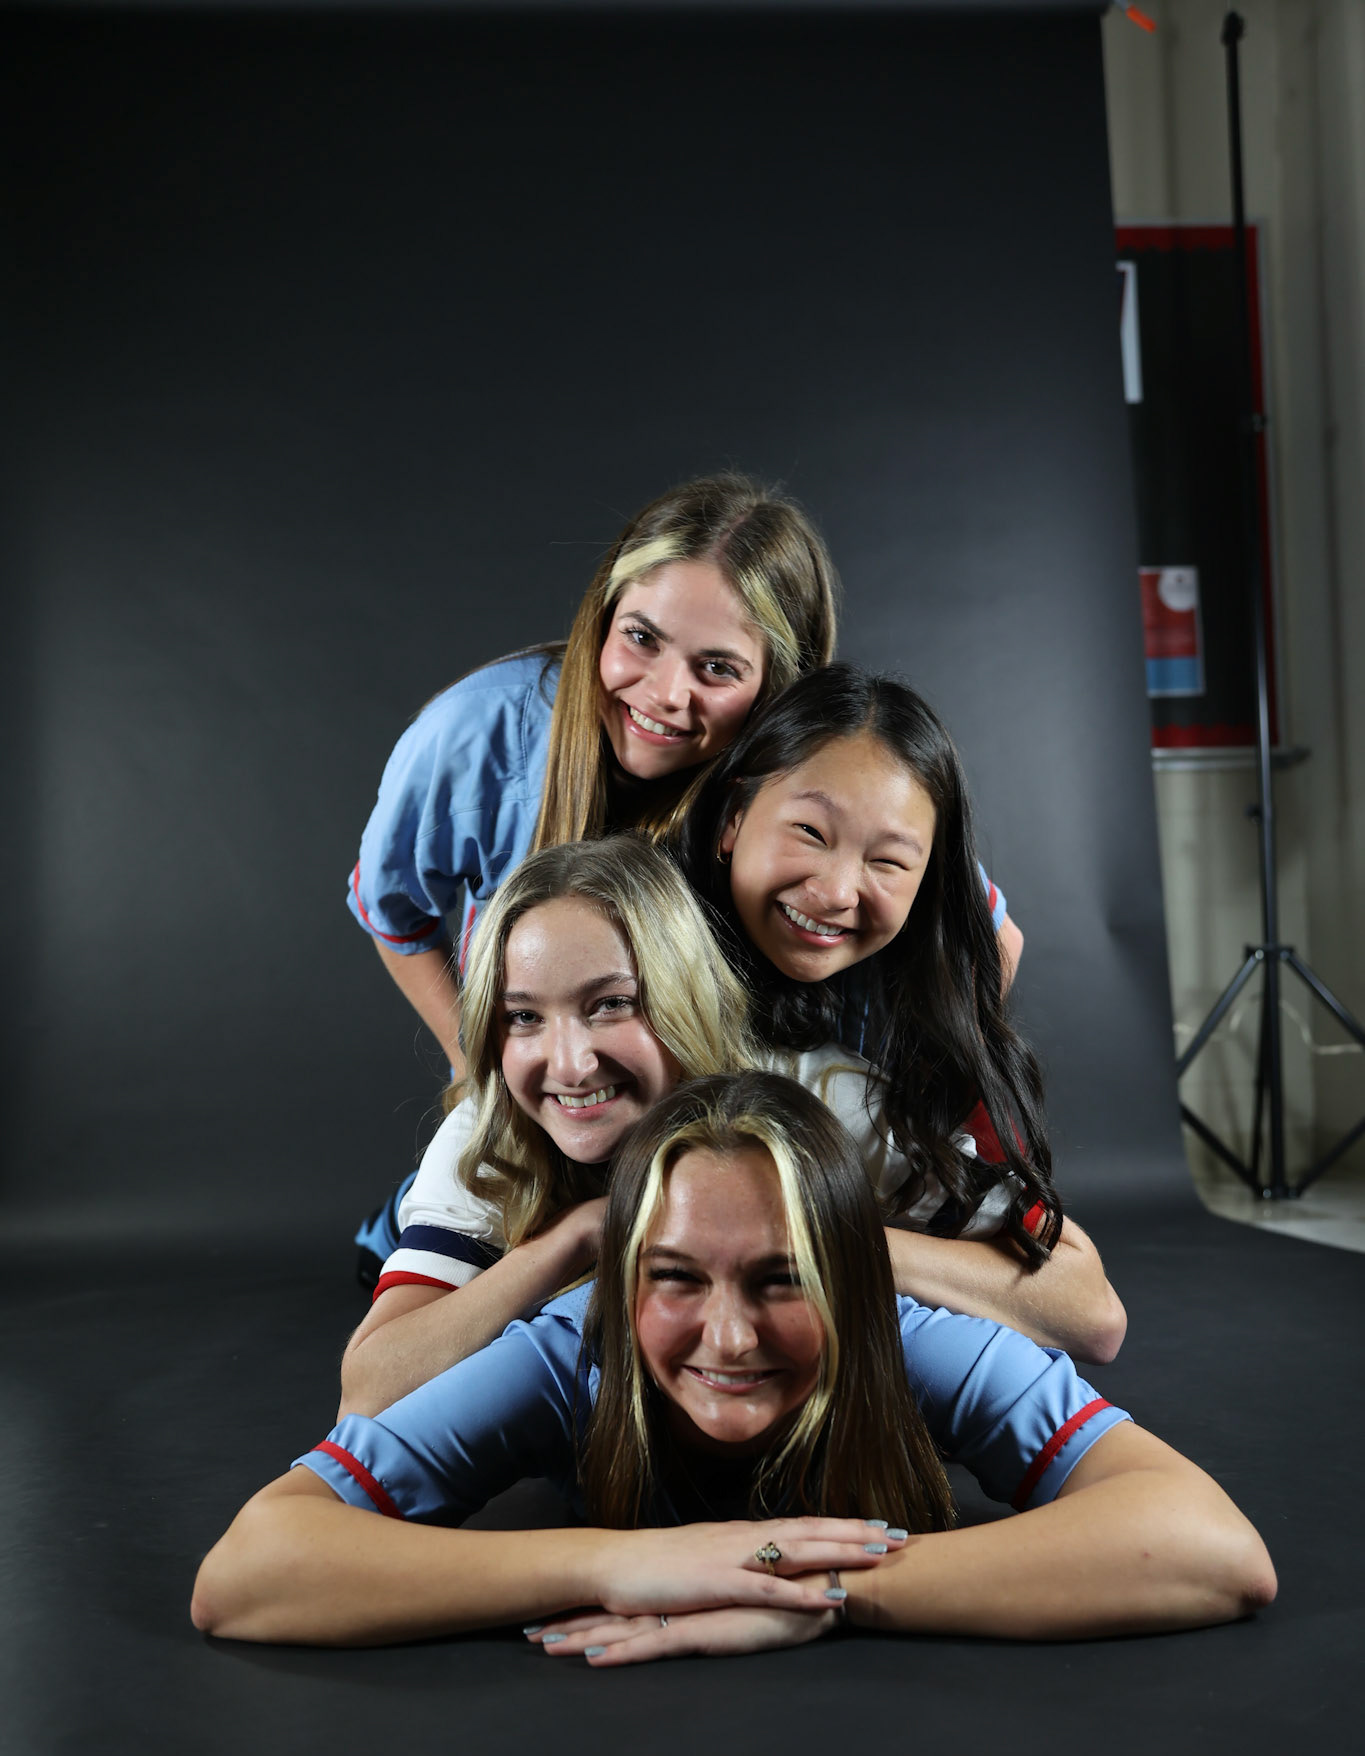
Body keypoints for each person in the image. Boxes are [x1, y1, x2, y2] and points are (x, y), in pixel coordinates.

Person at [191, 1074, 1274, 1655]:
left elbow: (1212, 1547)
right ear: (622, 1286)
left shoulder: (902, 1333)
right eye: (675, 1277)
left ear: (846, 1281)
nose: (729, 1337)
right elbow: (250, 1571)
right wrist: (619, 1565)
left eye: (778, 1277)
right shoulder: (571, 1348)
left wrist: (820, 1588)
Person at [348, 476, 1020, 1269]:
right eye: (639, 637)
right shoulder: (478, 733)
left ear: (780, 688)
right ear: (602, 615)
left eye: (717, 668)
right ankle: (414, 1223)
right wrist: (477, 1070)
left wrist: (904, 1120)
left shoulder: (811, 772)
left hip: (726, 1123)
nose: (665, 693)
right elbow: (390, 909)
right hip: (571, 1116)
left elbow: (987, 935)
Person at [340, 837, 1120, 1421]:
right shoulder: (495, 1129)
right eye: (523, 1018)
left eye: (612, 1003)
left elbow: (1090, 1315)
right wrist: (576, 1239)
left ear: (683, 997)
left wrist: (814, 1227)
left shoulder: (822, 1099)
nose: (568, 1063)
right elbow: (368, 1394)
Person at [676, 665, 1126, 1352]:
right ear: (732, 816)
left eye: (887, 862)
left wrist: (825, 1239)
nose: (834, 892)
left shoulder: (918, 1025)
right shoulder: (637, 972)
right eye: (809, 831)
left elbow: (1089, 1313)